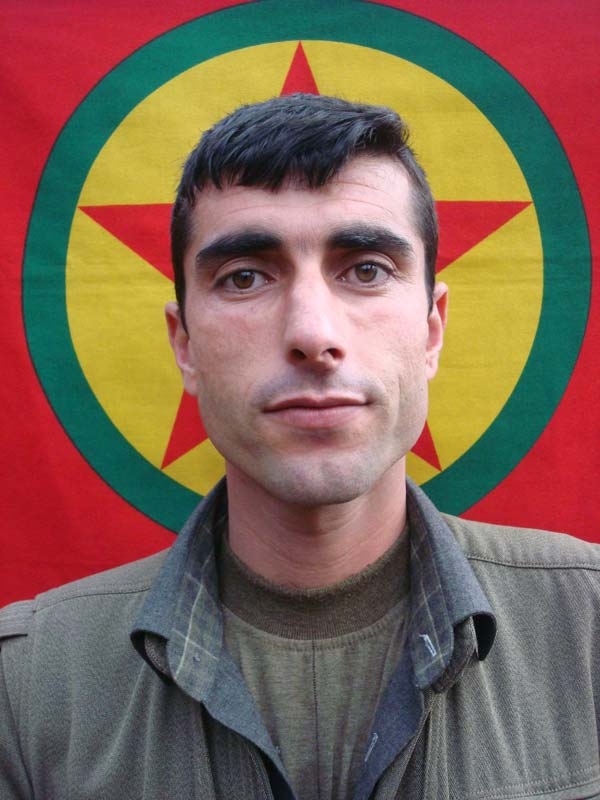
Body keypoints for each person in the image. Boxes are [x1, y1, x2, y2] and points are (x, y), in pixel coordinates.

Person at [1, 94, 599, 800]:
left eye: (367, 269)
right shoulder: (24, 690)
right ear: (184, 344)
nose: (313, 334)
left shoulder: (588, 630)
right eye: (245, 276)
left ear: (432, 330)